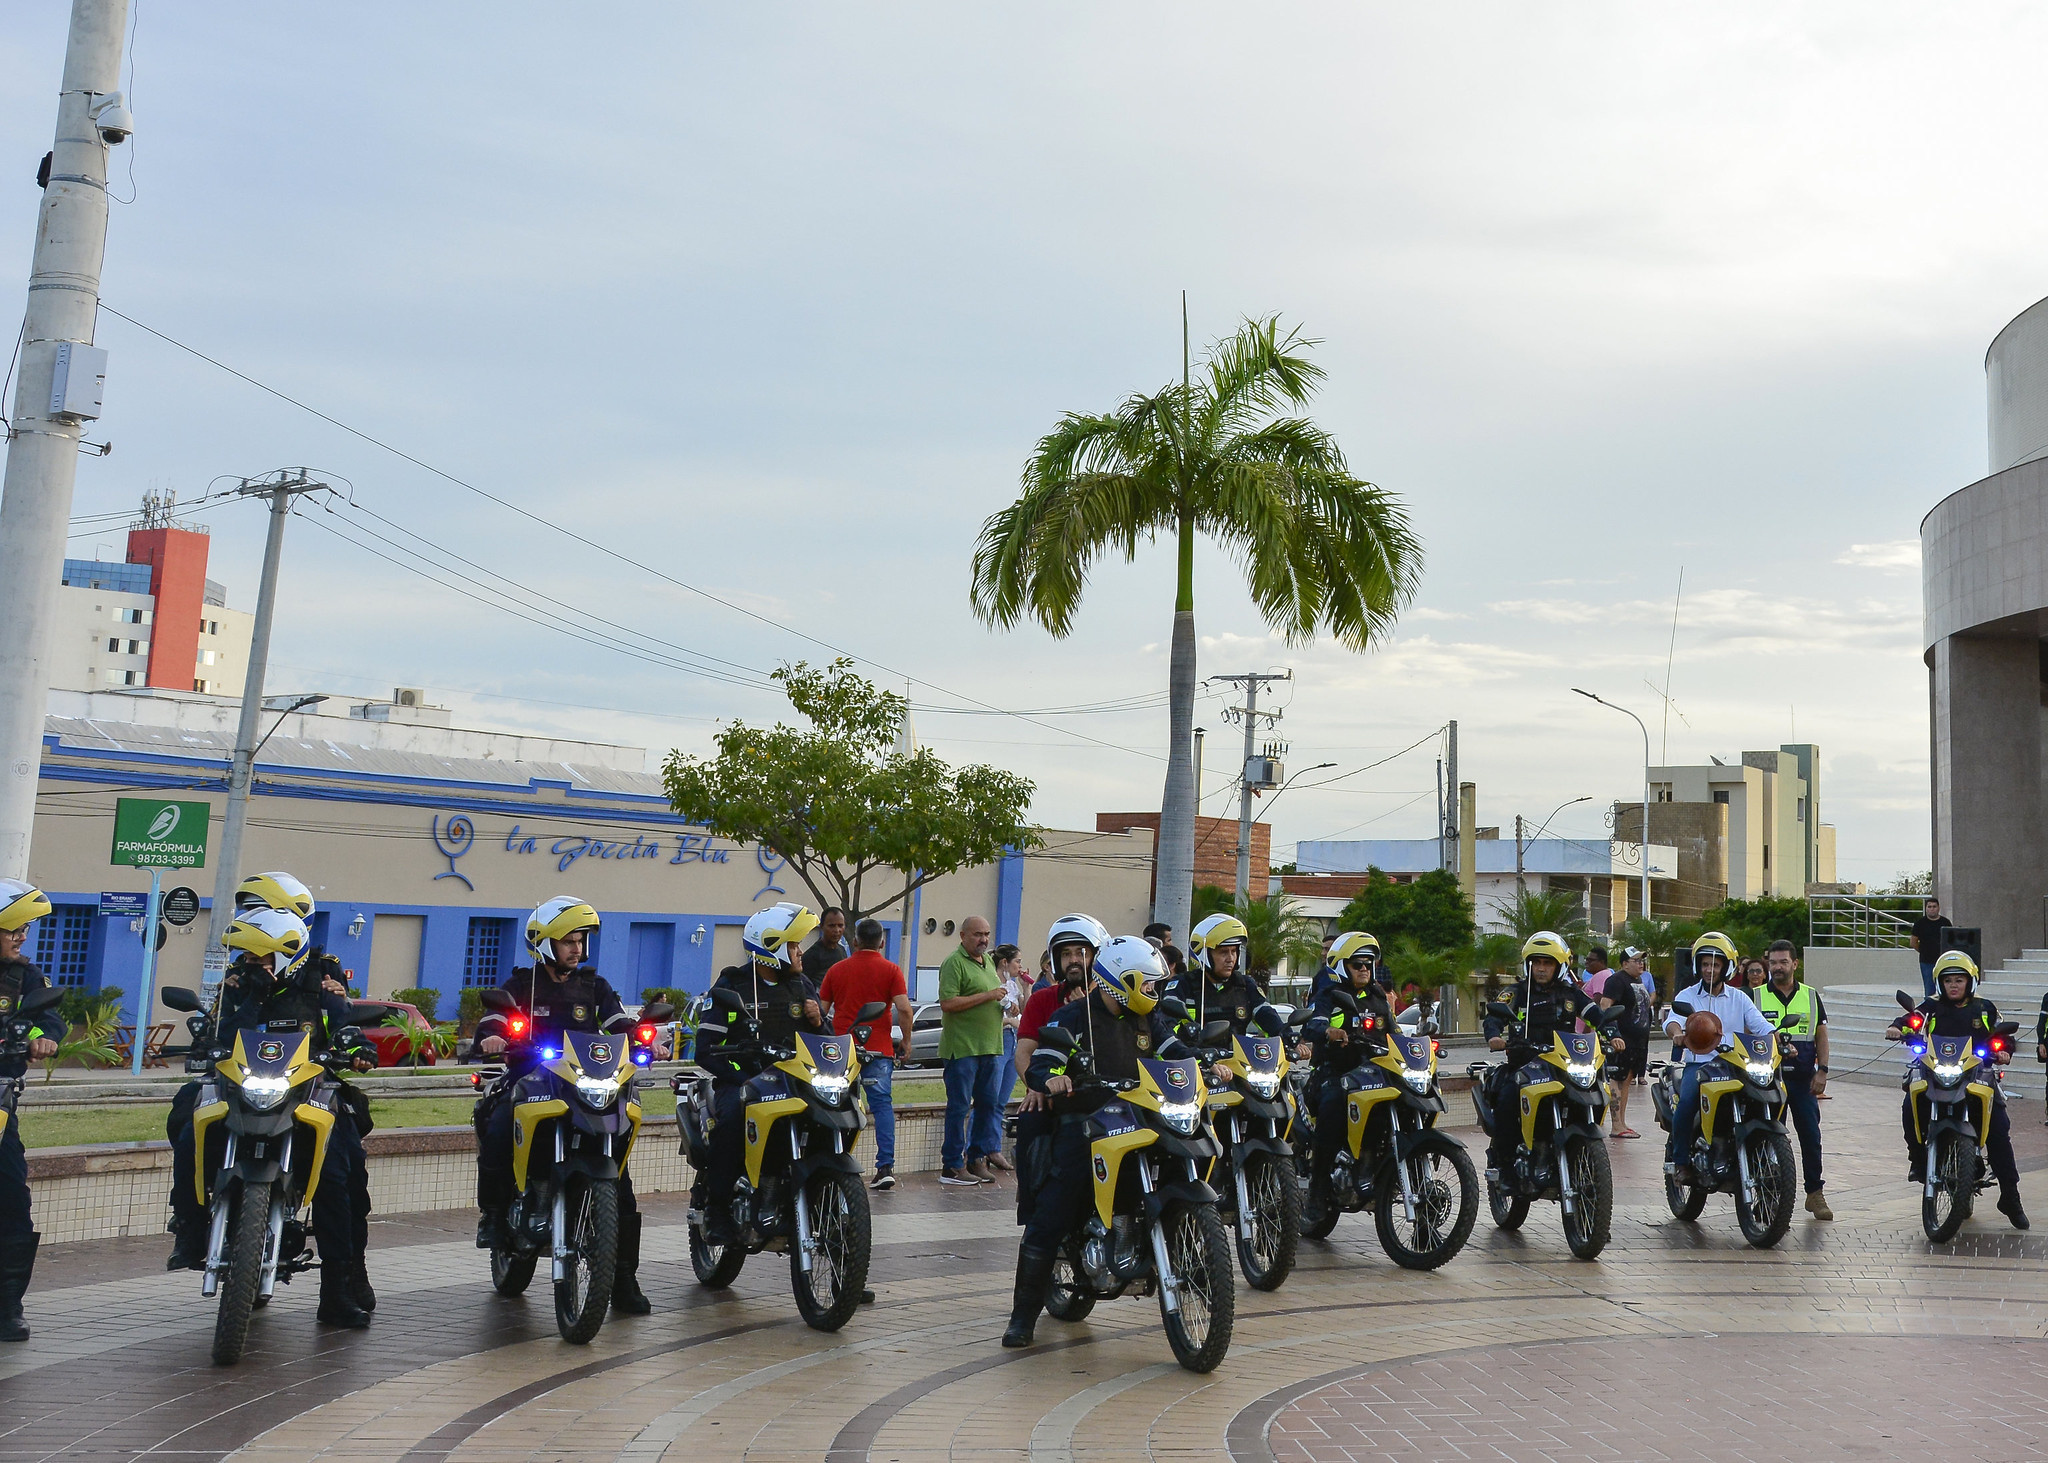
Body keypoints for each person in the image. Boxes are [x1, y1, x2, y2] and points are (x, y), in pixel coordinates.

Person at [168, 871, 377, 1314]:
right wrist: (249, 1000)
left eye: (262, 954)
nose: (252, 958)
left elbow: (345, 1026)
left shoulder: (322, 982)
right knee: (187, 1120)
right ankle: (189, 1226)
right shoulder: (239, 980)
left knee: (342, 1170)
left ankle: (342, 1281)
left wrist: (356, 1048)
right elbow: (218, 1033)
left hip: (308, 1088)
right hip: (241, 1086)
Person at [472, 896, 653, 1315]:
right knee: (498, 1123)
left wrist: (643, 1035)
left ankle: (623, 1278)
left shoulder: (595, 987)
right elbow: (496, 1018)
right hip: (531, 1078)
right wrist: (494, 1036)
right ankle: (495, 1217)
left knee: (620, 1186)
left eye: (580, 940)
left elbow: (617, 1023)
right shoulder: (522, 984)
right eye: (567, 941)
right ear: (544, 945)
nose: (576, 948)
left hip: (583, 1086)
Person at [1002, 935, 1186, 1348]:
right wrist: (1051, 1076)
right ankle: (1022, 1317)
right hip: (1085, 1123)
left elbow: (1177, 1051)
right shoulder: (1072, 1018)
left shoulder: (1149, 1019)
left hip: (1140, 1120)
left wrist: (1209, 1064)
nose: (1154, 993)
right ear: (1123, 982)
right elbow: (1044, 1059)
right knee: (1053, 1211)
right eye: (1148, 984)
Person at [691, 903, 826, 1243]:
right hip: (742, 1080)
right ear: (772, 949)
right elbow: (705, 1048)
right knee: (732, 1123)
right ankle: (719, 1212)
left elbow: (823, 1044)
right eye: (794, 946)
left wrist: (819, 1022)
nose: (800, 953)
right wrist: (741, 1077)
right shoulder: (732, 985)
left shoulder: (802, 986)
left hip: (794, 1082)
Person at [1886, 951, 2028, 1228]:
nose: (1954, 985)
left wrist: (2004, 1051)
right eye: (1948, 980)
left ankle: (2010, 1197)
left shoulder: (1984, 1008)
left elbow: (2003, 1034)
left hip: (1977, 1074)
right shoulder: (1932, 1007)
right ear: (1940, 983)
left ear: (1970, 982)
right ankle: (1918, 1158)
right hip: (1934, 1071)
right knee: (1909, 1104)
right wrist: (1897, 1027)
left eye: (1959, 980)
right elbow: (1912, 1019)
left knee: (1999, 1130)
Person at [1483, 932, 1616, 1186]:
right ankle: (1505, 1166)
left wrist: (1614, 1034)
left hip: (1561, 1064)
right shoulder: (1517, 992)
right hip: (1525, 1062)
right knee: (1508, 1100)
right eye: (1537, 963)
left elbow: (1596, 1015)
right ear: (1528, 965)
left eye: (1548, 963)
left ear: (1559, 966)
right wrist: (1493, 1036)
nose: (1541, 969)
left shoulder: (1570, 994)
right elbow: (1494, 1017)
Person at [1661, 931, 1777, 1186]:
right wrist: (1678, 1034)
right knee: (1688, 1100)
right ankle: (1681, 1162)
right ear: (1697, 966)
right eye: (1705, 964)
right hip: (1699, 1064)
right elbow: (1672, 1021)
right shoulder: (1688, 996)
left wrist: (1776, 1037)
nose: (1709, 969)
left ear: (1726, 967)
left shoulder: (1740, 998)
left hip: (1735, 1065)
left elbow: (1760, 1025)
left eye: (1715, 964)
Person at [1012, 915, 1105, 1229]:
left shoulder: (1110, 1000)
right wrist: (1037, 1087)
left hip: (1105, 1096)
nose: (1074, 960)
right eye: (1066, 954)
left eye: (1082, 952)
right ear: (1055, 958)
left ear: (1096, 955)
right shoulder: (1042, 1000)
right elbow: (1024, 1053)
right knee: (1029, 1123)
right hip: (1055, 1095)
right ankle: (1033, 1211)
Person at [1302, 930, 1397, 1226]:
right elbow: (1313, 1023)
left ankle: (1377, 1164)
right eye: (1358, 965)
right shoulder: (1330, 994)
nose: (1365, 970)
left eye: (1369, 964)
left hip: (1373, 1075)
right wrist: (1328, 1032)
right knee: (1333, 1104)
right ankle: (1317, 1191)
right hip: (1334, 1072)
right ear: (1344, 966)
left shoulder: (1378, 996)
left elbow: (1395, 1034)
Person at [0, 882, 61, 1342]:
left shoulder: (26, 978)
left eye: (24, 929)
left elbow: (47, 1018)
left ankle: (7, 1307)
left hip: (1, 1099)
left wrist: (44, 1037)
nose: (21, 936)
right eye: (13, 928)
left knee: (11, 1200)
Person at [819, 918, 912, 1190]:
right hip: (878, 1048)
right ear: (882, 942)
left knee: (836, 1104)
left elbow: (822, 1012)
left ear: (855, 941)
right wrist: (906, 1040)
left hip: (841, 1049)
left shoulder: (836, 970)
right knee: (882, 1105)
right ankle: (885, 1166)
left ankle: (835, 1160)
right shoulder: (891, 970)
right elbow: (905, 1009)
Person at [1753, 939, 1832, 1220]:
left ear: (1795, 964)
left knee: (1810, 1136)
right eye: (1773, 962)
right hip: (1765, 1080)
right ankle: (1765, 1197)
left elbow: (1821, 1035)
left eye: (1783, 962)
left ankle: (1815, 1193)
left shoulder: (1810, 996)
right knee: (1765, 1139)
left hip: (1802, 1080)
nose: (1777, 967)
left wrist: (1822, 1070)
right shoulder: (1755, 997)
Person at [937, 916, 1007, 1185]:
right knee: (959, 1107)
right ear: (963, 935)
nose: (984, 939)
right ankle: (952, 1166)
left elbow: (992, 995)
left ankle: (977, 1158)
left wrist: (1005, 1004)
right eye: (978, 934)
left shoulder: (987, 961)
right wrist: (989, 996)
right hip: (962, 1049)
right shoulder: (954, 963)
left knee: (988, 1105)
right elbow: (948, 1003)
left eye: (987, 934)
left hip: (990, 1046)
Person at [1595, 947, 1654, 1138]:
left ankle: (1622, 1122)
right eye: (1636, 960)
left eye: (1641, 960)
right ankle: (1616, 1125)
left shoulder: (1638, 980)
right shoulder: (1616, 980)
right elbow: (1605, 1006)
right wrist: (1614, 1034)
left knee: (1628, 1079)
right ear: (1624, 963)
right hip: (1622, 1040)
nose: (1640, 964)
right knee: (1618, 1080)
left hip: (1638, 1041)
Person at [1174, 914, 1262, 1036]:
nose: (1230, 959)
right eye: (1224, 952)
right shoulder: (1183, 984)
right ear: (1204, 954)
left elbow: (1266, 1014)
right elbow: (1166, 1027)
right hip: (1194, 1054)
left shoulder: (1245, 984)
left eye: (1234, 951)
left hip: (1239, 1054)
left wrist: (1287, 1034)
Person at [993, 943, 1032, 1110]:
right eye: (1017, 961)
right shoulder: (992, 983)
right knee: (990, 1099)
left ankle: (993, 1136)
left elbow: (1027, 1011)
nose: (1020, 966)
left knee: (1002, 1099)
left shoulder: (1012, 985)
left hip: (1014, 1041)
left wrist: (1026, 988)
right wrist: (1009, 1021)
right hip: (998, 1039)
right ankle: (976, 1136)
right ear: (1004, 963)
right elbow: (986, 1020)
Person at [1911, 897, 1953, 999]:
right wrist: (1923, 951)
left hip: (1943, 961)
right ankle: (1929, 1012)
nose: (1932, 909)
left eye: (1934, 906)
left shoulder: (1945, 922)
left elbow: (1951, 940)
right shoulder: (1920, 924)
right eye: (1929, 907)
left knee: (1945, 988)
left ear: (1938, 908)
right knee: (1929, 990)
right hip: (1926, 962)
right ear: (1926, 908)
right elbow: (1913, 942)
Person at [803, 906, 851, 983]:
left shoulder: (842, 950)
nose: (836, 930)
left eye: (840, 925)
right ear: (822, 926)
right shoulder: (812, 955)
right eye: (831, 926)